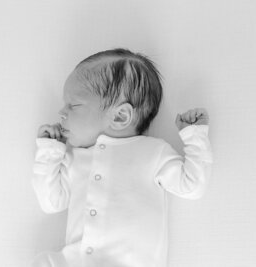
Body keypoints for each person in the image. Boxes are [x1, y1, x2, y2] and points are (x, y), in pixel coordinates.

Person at [31, 48, 213, 267]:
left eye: (74, 105)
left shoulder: (153, 153)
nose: (61, 113)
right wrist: (50, 154)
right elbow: (51, 202)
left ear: (120, 116)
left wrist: (195, 137)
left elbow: (191, 185)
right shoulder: (75, 158)